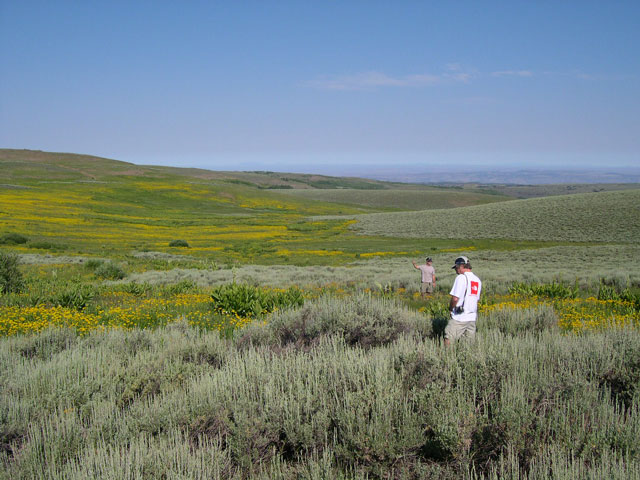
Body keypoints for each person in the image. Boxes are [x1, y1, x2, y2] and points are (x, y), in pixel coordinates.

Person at [445, 256, 482, 345]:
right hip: (472, 317)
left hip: (460, 316)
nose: (456, 270)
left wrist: (451, 309)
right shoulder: (477, 280)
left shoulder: (461, 277)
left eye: (456, 268)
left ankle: (445, 357)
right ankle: (465, 358)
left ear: (461, 266)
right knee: (467, 344)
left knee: (449, 338)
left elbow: (455, 298)